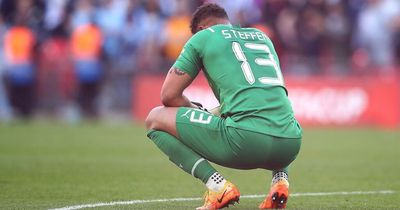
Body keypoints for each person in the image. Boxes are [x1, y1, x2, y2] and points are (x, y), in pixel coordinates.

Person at [145, 3, 302, 209]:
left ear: (201, 29)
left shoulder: (203, 37)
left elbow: (169, 96)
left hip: (246, 142)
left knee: (155, 118)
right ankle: (280, 181)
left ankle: (218, 187)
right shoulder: (262, 36)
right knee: (272, 110)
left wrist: (195, 109)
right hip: (290, 144)